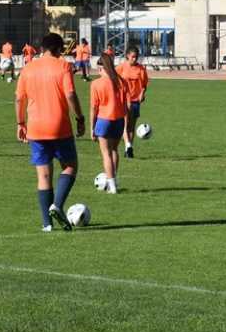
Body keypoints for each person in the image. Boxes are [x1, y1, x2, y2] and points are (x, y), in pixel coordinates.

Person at [16, 32, 86, 232]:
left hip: (35, 128)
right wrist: (80, 118)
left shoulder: (28, 68)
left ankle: (47, 224)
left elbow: (19, 99)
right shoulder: (63, 65)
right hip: (59, 125)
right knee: (70, 166)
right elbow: (70, 93)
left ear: (41, 49)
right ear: (58, 50)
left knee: (43, 176)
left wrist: (20, 123)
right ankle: (57, 204)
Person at [90, 53, 128, 194]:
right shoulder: (121, 82)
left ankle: (111, 186)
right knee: (114, 151)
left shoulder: (96, 84)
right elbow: (125, 106)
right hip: (118, 120)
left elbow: (94, 108)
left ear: (101, 68)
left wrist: (91, 128)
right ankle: (114, 181)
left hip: (103, 120)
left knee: (106, 153)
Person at [117, 46, 150, 158]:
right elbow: (114, 80)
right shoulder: (121, 68)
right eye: (132, 57)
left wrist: (142, 93)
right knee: (124, 125)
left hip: (135, 101)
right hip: (123, 100)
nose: (134, 59)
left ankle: (128, 149)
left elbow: (144, 84)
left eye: (136, 57)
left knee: (131, 127)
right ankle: (128, 145)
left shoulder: (141, 69)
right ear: (127, 56)